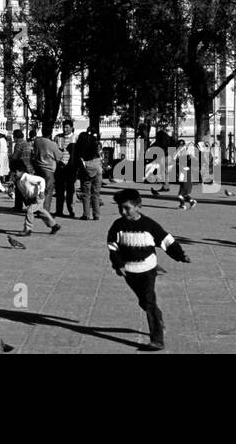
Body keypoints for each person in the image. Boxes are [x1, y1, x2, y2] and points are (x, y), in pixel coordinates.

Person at [107, 188, 190, 351]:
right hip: (129, 271)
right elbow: (112, 247)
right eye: (120, 208)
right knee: (144, 301)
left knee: (149, 302)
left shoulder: (149, 225)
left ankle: (157, 340)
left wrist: (180, 255)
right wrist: (118, 264)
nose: (123, 212)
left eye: (127, 208)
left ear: (138, 206)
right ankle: (158, 317)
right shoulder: (117, 226)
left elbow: (167, 241)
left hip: (147, 269)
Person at [14, 170, 61, 237]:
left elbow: (41, 180)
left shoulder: (28, 177)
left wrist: (42, 191)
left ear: (19, 171)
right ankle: (54, 225)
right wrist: (26, 199)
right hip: (31, 199)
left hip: (38, 197)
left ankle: (28, 229)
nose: (14, 174)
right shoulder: (18, 181)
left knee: (29, 211)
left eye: (15, 172)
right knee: (41, 212)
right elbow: (23, 191)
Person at [30, 127, 63, 216]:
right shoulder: (52, 144)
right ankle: (45, 210)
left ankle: (37, 208)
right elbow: (59, 157)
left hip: (38, 167)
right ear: (50, 133)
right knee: (48, 191)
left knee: (39, 190)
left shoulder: (37, 141)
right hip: (48, 168)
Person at [74, 131, 103, 220]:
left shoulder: (80, 149)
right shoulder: (94, 147)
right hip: (97, 169)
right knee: (96, 193)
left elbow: (78, 161)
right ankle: (96, 214)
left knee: (86, 194)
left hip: (86, 170)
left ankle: (86, 214)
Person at [53, 120, 77, 217]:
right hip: (60, 167)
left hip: (71, 168)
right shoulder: (57, 137)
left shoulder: (76, 138)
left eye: (67, 127)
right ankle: (59, 210)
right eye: (64, 127)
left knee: (71, 190)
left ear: (71, 128)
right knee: (59, 190)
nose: (65, 129)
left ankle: (71, 210)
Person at [9, 130, 32, 211]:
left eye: (13, 136)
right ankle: (24, 205)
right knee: (25, 187)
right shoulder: (26, 143)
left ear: (16, 137)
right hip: (28, 167)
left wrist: (10, 158)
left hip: (20, 168)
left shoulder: (18, 144)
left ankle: (22, 206)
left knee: (19, 188)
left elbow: (15, 157)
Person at [175, 139, 198, 210]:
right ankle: (190, 202)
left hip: (186, 173)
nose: (180, 147)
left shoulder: (187, 153)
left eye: (181, 145)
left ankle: (184, 204)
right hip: (183, 173)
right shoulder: (181, 152)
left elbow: (194, 160)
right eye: (179, 146)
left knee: (181, 195)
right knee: (183, 194)